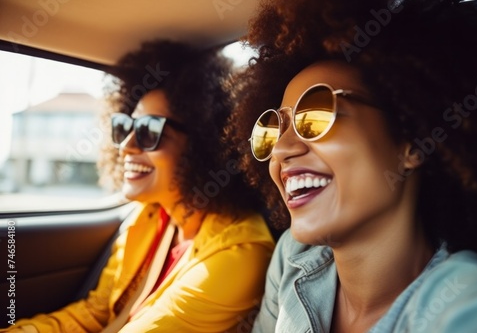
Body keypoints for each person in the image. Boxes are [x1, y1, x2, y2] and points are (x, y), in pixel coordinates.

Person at [224, 0, 477, 332]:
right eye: (272, 129)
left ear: (411, 140)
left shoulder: (472, 307)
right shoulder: (291, 258)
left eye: (317, 114)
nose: (281, 149)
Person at [4, 40, 275, 332]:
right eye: (124, 127)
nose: (126, 146)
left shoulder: (240, 255)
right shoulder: (146, 219)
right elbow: (96, 313)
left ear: (206, 143)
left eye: (149, 131)